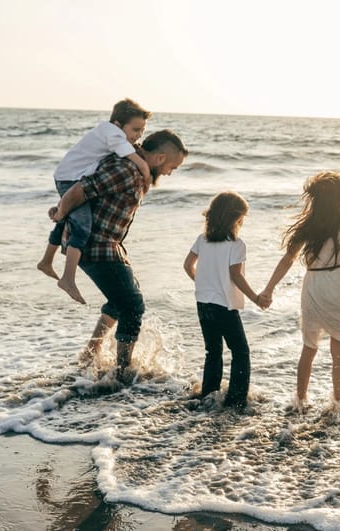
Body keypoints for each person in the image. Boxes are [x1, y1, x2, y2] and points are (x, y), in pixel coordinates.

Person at [49, 129, 189, 385]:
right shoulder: (126, 170)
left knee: (120, 299)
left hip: (108, 245)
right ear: (159, 158)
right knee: (132, 306)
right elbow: (81, 190)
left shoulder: (135, 168)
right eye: (172, 166)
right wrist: (60, 213)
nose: (170, 172)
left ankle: (89, 354)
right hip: (95, 246)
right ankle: (123, 372)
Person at [259, 172, 340, 411]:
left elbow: (287, 260)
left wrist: (268, 289)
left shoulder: (308, 228)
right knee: (338, 347)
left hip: (314, 284)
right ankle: (338, 403)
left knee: (309, 346)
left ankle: (300, 400)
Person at [38, 98, 154, 305]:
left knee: (66, 219)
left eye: (142, 131)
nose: (138, 136)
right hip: (70, 179)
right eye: (135, 130)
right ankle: (68, 278)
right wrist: (145, 171)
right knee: (83, 228)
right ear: (118, 124)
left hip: (70, 176)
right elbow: (132, 157)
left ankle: (46, 261)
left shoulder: (110, 133)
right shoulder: (113, 133)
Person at [182, 192, 266, 410]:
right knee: (240, 351)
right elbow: (235, 275)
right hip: (223, 305)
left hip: (203, 302)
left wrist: (201, 282)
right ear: (234, 218)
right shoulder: (236, 245)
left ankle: (209, 394)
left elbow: (187, 265)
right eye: (241, 218)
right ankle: (236, 399)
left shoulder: (203, 240)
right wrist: (256, 298)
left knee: (213, 350)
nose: (242, 222)